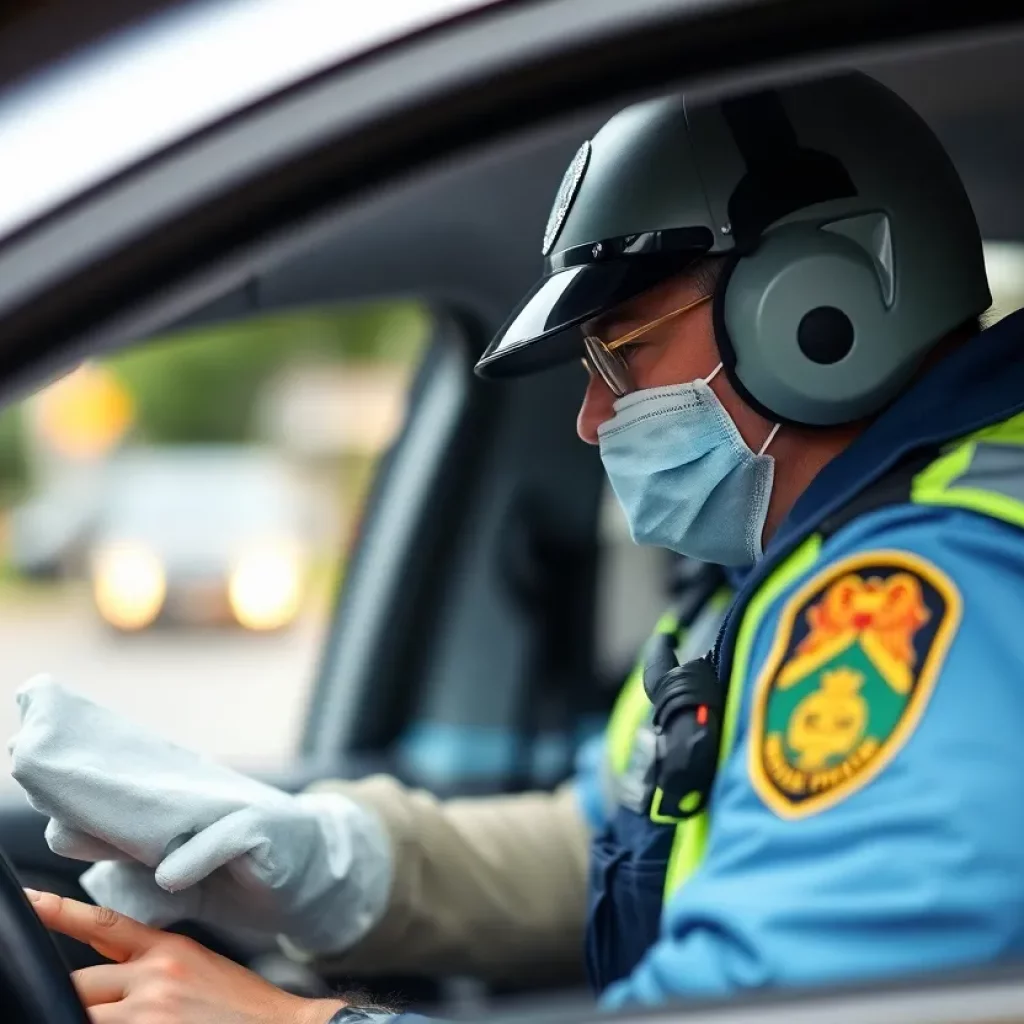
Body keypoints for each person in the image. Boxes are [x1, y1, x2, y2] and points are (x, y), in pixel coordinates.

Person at [13, 65, 1024, 1021]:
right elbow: (612, 833)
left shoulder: (927, 593)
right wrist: (330, 862)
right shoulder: (778, 576)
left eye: (617, 350)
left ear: (821, 309)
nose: (589, 418)